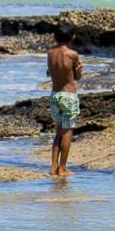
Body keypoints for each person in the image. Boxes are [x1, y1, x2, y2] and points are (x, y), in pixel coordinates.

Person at [47, 24, 83, 177]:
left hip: (55, 94)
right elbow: (76, 77)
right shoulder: (72, 54)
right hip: (68, 95)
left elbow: (49, 72)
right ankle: (62, 168)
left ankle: (53, 167)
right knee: (67, 132)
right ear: (72, 38)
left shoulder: (50, 53)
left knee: (58, 132)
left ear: (55, 37)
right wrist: (79, 70)